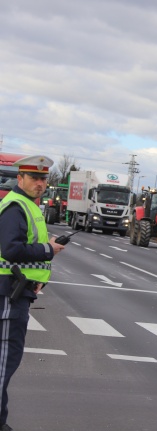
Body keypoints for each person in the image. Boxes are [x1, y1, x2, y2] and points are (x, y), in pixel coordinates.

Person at [0, 155, 65, 431]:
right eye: (34, 178)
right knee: (4, 363)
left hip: (19, 290)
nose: (40, 183)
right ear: (20, 179)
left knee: (6, 362)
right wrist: (49, 249)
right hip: (7, 294)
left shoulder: (28, 206)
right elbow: (11, 250)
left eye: (43, 179)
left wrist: (38, 280)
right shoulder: (16, 207)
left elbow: (21, 256)